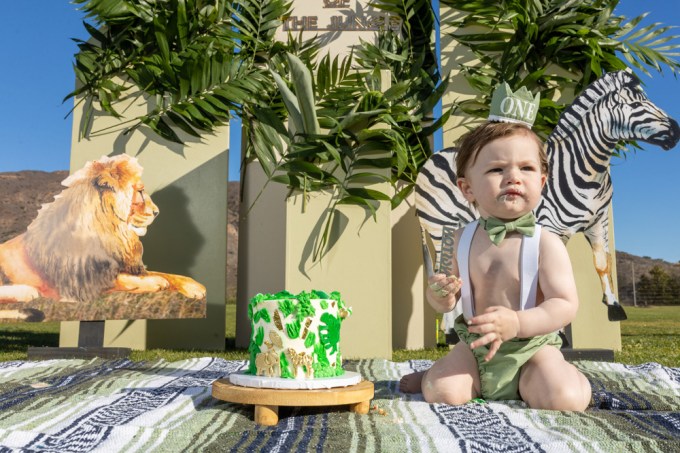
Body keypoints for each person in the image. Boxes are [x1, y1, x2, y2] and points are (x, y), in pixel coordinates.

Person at [400, 85, 591, 410]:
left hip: (532, 347)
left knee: (564, 398)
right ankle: (435, 372)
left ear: (542, 182)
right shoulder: (454, 238)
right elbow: (443, 300)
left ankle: (568, 376)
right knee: (443, 393)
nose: (513, 177)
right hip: (474, 345)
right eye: (496, 169)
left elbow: (564, 304)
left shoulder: (547, 242)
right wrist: (440, 296)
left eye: (526, 168)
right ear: (467, 188)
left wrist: (518, 323)